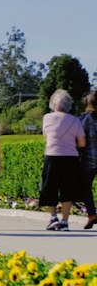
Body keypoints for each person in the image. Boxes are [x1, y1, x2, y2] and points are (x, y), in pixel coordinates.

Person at [39, 89, 85, 230]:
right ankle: (65, 221)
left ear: (53, 103)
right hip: (70, 158)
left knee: (50, 188)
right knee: (68, 189)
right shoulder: (75, 120)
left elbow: (46, 137)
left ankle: (53, 218)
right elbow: (82, 142)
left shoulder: (47, 118)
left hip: (52, 156)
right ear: (69, 104)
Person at [80, 91, 97, 230]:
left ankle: (92, 214)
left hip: (89, 160)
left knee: (86, 188)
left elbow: (79, 141)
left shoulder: (83, 119)